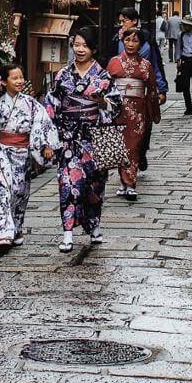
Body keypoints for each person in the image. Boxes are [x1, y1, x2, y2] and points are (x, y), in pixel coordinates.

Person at [45, 27, 122, 252]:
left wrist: (102, 102)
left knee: (94, 186)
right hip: (69, 137)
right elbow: (51, 105)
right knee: (68, 183)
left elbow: (116, 107)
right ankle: (67, 231)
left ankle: (94, 224)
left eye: (85, 46)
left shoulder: (103, 76)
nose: (80, 49)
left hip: (95, 136)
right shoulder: (62, 75)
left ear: (93, 49)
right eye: (76, 45)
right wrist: (50, 137)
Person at [0, 64, 58, 251]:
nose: (20, 81)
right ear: (4, 82)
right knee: (2, 191)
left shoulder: (31, 104)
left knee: (19, 192)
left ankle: (17, 227)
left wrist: (46, 145)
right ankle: (3, 233)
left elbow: (44, 123)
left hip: (22, 153)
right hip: (2, 152)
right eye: (15, 78)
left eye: (21, 77)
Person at [107, 28, 161, 201]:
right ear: (123, 41)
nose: (131, 44)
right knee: (120, 146)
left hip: (138, 112)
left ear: (141, 44)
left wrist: (152, 110)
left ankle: (130, 183)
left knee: (134, 146)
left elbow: (151, 90)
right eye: (128, 40)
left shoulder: (146, 65)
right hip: (117, 110)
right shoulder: (114, 63)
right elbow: (106, 87)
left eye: (135, 41)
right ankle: (124, 182)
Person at [110, 7, 169, 100]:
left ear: (134, 21)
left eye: (124, 21)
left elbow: (155, 65)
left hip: (142, 90)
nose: (122, 25)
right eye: (120, 22)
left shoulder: (147, 39)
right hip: (120, 92)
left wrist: (162, 89)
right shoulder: (117, 39)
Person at [175, 16, 192, 115]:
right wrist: (178, 60)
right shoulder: (181, 35)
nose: (184, 26)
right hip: (185, 62)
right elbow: (178, 48)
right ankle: (189, 107)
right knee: (185, 86)